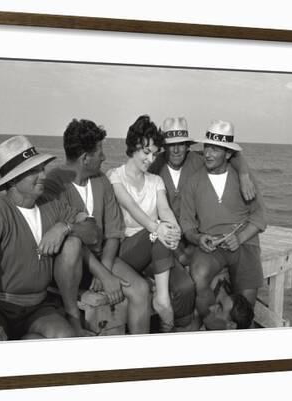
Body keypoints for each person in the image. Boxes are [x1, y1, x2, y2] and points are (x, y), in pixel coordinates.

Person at [0, 136, 99, 341]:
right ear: (13, 180)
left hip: (38, 307)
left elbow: (92, 232)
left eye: (42, 168)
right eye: (34, 171)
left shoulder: (51, 205)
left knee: (65, 339)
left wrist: (65, 226)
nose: (43, 175)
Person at [42, 119, 152, 335]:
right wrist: (102, 275)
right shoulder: (54, 184)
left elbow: (113, 232)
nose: (104, 157)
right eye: (99, 151)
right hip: (69, 266)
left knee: (141, 289)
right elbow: (67, 242)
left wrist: (107, 268)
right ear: (85, 158)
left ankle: (141, 358)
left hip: (102, 259)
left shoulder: (101, 181)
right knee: (72, 242)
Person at [107, 115, 195, 332]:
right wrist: (158, 228)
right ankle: (162, 301)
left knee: (185, 287)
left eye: (155, 154)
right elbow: (131, 208)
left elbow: (164, 209)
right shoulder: (115, 176)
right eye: (146, 152)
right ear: (133, 147)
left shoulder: (155, 180)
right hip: (128, 250)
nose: (150, 159)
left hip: (157, 245)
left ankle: (172, 331)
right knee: (154, 234)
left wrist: (173, 230)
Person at [180, 120, 267, 327]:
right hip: (212, 246)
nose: (208, 153)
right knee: (199, 274)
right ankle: (216, 328)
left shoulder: (244, 178)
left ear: (228, 154)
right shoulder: (193, 181)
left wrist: (240, 238)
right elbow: (187, 224)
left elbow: (259, 217)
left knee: (245, 305)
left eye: (216, 149)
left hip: (244, 242)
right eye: (207, 147)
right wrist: (199, 238)